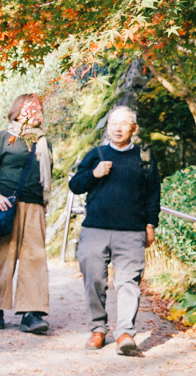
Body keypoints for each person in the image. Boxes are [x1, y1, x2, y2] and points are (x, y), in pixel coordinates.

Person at [68, 105, 161, 357]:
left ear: (134, 128)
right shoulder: (95, 154)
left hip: (131, 232)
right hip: (95, 229)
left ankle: (125, 333)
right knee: (94, 281)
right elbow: (75, 185)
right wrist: (94, 174)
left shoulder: (144, 158)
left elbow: (154, 193)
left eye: (124, 123)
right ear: (108, 127)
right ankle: (98, 329)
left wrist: (150, 224)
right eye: (113, 123)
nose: (118, 128)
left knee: (128, 283)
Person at [0, 93, 52, 335]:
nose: (38, 113)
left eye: (40, 109)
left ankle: (31, 314)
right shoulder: (2, 137)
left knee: (34, 259)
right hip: (4, 204)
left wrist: (44, 205)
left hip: (34, 206)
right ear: (18, 111)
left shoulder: (42, 141)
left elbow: (46, 177)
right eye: (33, 108)